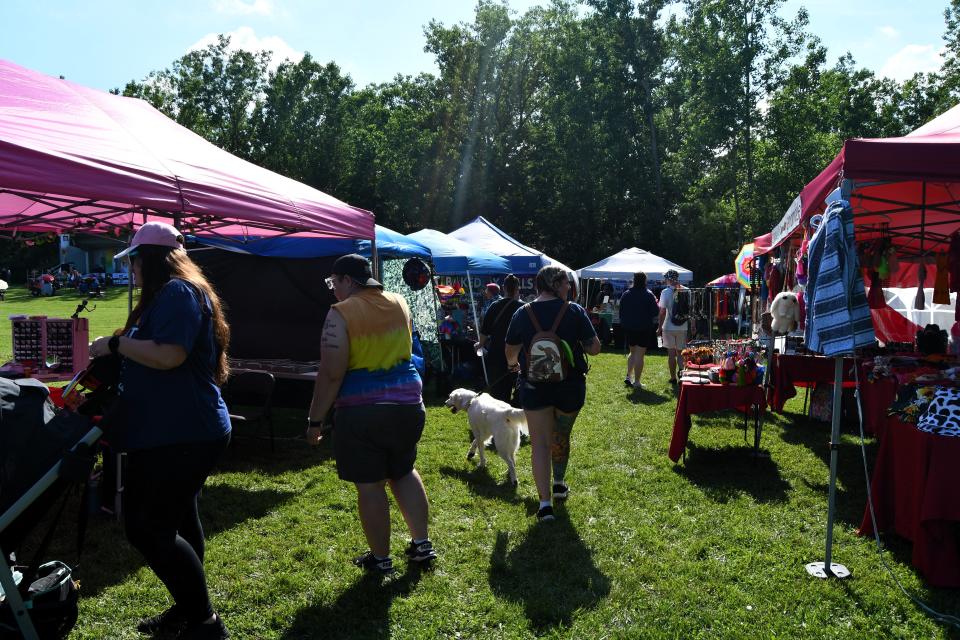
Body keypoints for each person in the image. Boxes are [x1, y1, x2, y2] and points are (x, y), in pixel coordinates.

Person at [89, 221, 231, 640]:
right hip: (176, 429)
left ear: (148, 258)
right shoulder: (173, 294)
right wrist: (121, 344)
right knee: (181, 520)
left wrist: (115, 345)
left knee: (147, 527)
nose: (131, 268)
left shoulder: (177, 292)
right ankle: (189, 610)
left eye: (133, 259)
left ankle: (204, 623)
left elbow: (169, 355)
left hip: (184, 431)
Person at [306, 254, 436, 575]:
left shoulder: (340, 313)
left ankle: (381, 559)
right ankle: (422, 545)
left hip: (363, 412)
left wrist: (315, 420)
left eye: (334, 282)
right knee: (403, 471)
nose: (333, 289)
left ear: (348, 281)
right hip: (408, 406)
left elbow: (331, 373)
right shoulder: (399, 302)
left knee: (370, 484)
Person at [505, 266, 601, 521]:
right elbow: (594, 349)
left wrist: (513, 365)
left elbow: (510, 351)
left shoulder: (522, 313)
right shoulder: (574, 311)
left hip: (534, 388)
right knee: (561, 435)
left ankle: (545, 505)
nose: (569, 287)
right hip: (569, 388)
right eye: (566, 283)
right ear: (556, 284)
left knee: (540, 444)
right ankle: (558, 482)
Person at [476, 274, 523, 404]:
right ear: (518, 289)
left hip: (496, 356)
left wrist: (480, 344)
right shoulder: (524, 308)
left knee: (498, 400)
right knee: (520, 394)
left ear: (504, 288)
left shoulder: (494, 306)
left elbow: (484, 332)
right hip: (517, 358)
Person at [619, 272, 659, 389]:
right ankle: (637, 382)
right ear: (645, 281)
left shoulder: (626, 294)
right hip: (643, 327)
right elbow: (655, 312)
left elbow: (621, 311)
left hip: (629, 328)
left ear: (634, 280)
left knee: (633, 352)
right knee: (640, 355)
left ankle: (628, 376)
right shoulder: (649, 294)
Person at [657, 269, 687, 385]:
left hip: (668, 326)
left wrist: (659, 328)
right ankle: (682, 375)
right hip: (683, 326)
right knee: (680, 353)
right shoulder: (686, 290)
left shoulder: (665, 292)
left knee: (671, 354)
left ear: (669, 279)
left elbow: (662, 312)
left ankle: (673, 377)